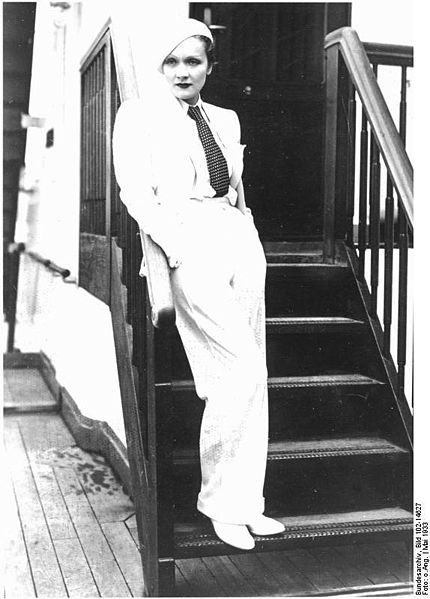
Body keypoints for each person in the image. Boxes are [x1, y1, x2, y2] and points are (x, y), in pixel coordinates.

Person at [112, 17, 285, 550]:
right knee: (236, 370)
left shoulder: (225, 118)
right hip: (187, 240)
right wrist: (177, 249)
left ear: (210, 66)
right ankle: (220, 504)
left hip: (237, 239)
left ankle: (247, 502)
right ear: (160, 67)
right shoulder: (138, 115)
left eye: (193, 61)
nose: (182, 71)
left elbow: (234, 186)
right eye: (172, 61)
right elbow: (135, 193)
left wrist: (248, 234)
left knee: (253, 371)